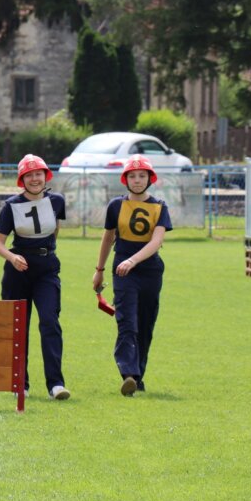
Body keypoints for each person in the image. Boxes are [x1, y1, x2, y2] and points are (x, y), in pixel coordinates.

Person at [92, 155, 172, 397]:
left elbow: (157, 241)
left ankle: (138, 375)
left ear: (150, 179)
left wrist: (134, 260)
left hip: (149, 271)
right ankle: (128, 374)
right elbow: (108, 238)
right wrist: (99, 270)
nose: (137, 180)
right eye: (132, 176)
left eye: (142, 176)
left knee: (145, 324)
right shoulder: (116, 205)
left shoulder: (160, 207)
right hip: (122, 270)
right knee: (127, 321)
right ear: (125, 179)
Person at [0, 155, 69, 400]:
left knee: (50, 321)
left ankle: (56, 384)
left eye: (38, 174)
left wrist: (45, 253)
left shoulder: (57, 201)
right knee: (18, 326)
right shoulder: (11, 205)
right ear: (22, 179)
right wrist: (13, 258)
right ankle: (20, 383)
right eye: (29, 174)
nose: (35, 179)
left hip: (47, 269)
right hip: (18, 269)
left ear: (46, 176)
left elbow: (54, 230)